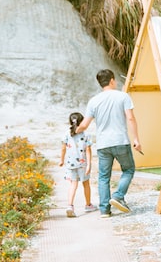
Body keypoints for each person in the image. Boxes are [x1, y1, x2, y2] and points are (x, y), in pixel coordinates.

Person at [78, 69, 142, 217]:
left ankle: (104, 210)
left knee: (103, 177)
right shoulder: (123, 96)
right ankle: (118, 195)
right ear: (112, 80)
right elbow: (130, 118)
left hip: (103, 144)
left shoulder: (94, 101)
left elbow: (84, 125)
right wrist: (136, 139)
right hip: (120, 141)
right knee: (128, 169)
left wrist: (75, 130)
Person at [58, 111, 95, 217]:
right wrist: (89, 165)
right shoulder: (86, 134)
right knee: (86, 184)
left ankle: (70, 206)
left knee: (73, 184)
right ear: (82, 121)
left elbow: (63, 148)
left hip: (71, 163)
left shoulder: (66, 134)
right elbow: (88, 150)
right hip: (82, 164)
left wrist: (61, 160)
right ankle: (88, 205)